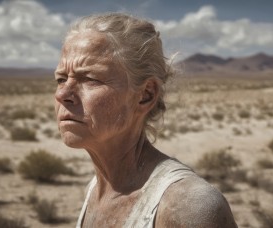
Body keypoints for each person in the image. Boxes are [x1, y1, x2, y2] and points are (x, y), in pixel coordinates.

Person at [54, 13, 238, 228]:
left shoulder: (187, 206)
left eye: (90, 79)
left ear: (145, 95)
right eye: (60, 79)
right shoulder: (94, 190)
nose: (62, 94)